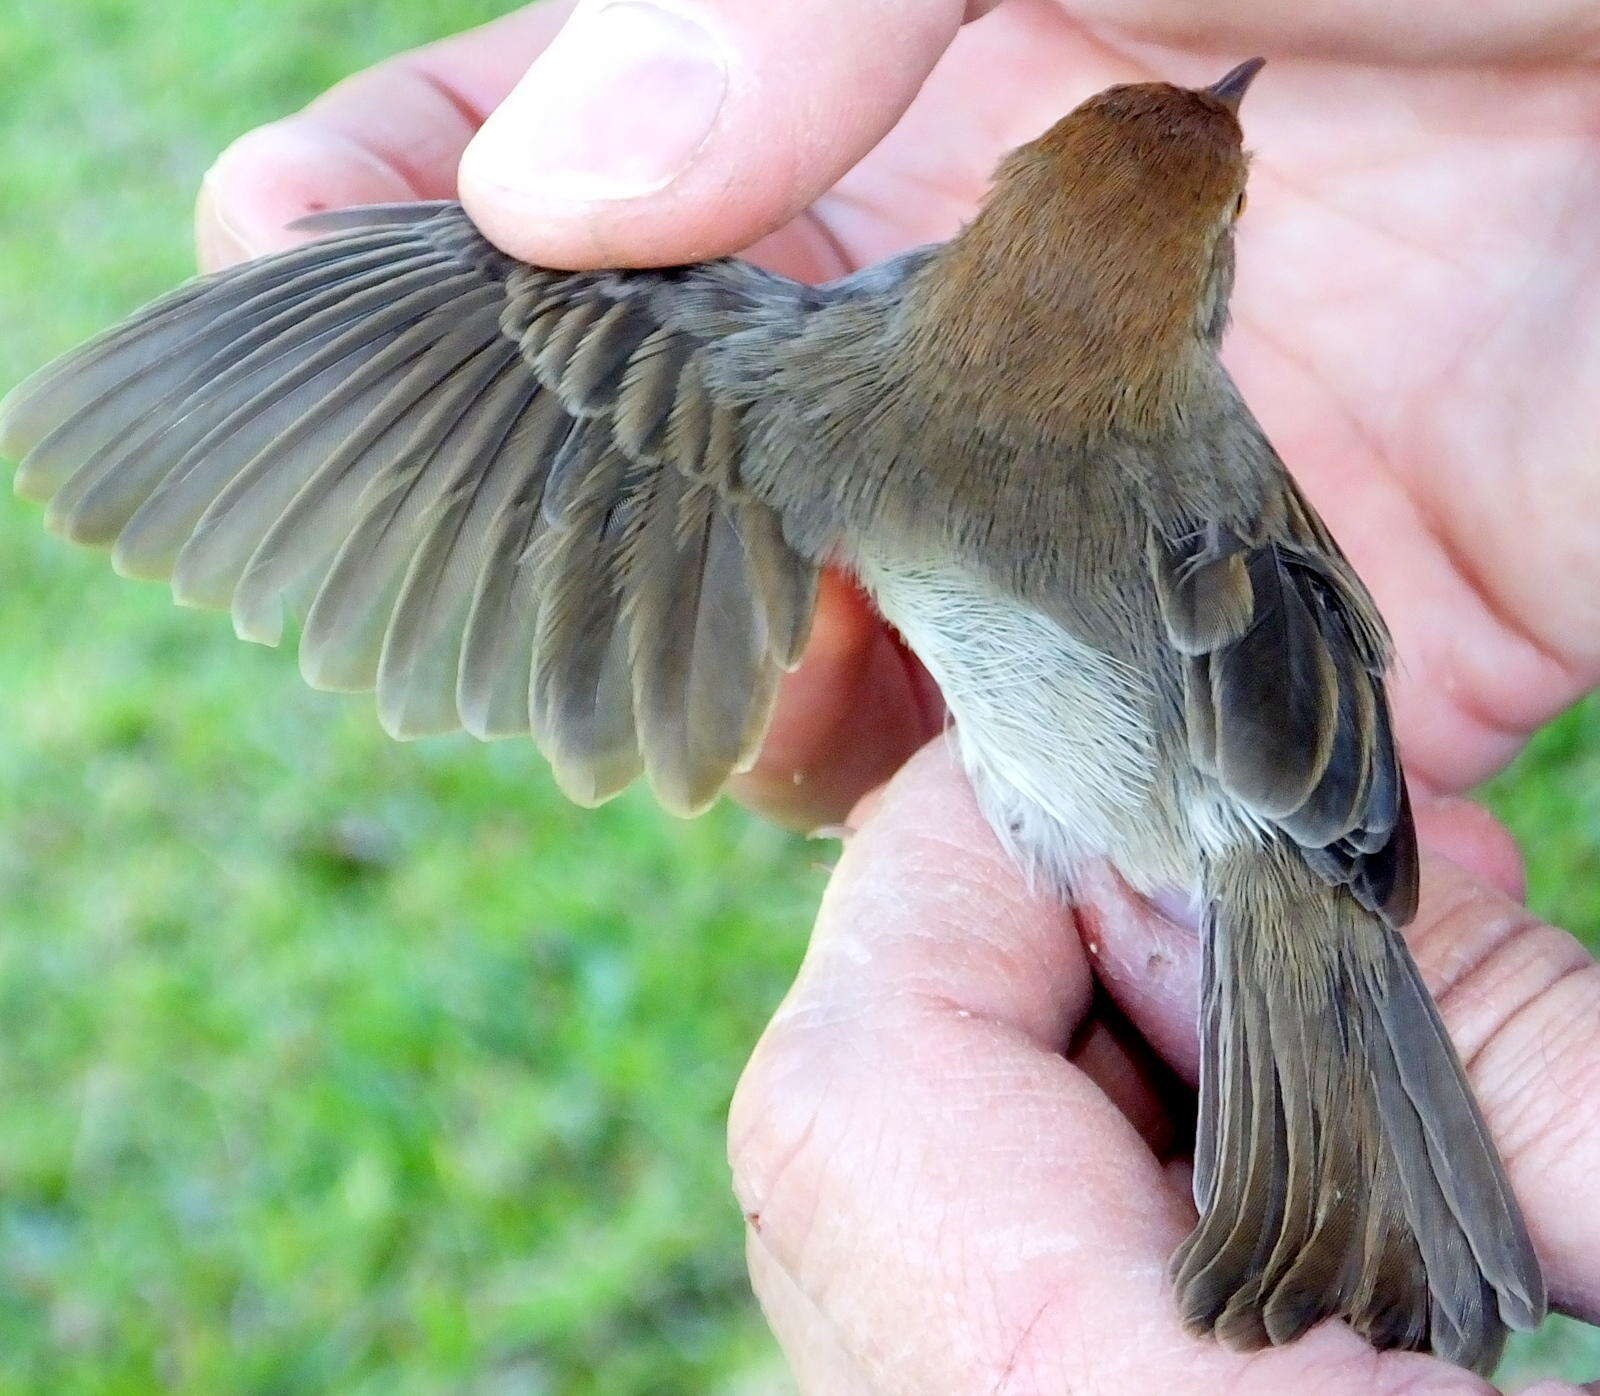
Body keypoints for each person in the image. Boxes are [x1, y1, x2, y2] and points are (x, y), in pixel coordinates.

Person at [197, 3, 1600, 1389]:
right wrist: (1327, 877)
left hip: (1103, 810)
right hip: (1293, 815)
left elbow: (536, 312)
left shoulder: (809, 379)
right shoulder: (1210, 448)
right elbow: (1296, 626)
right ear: (1205, 288)